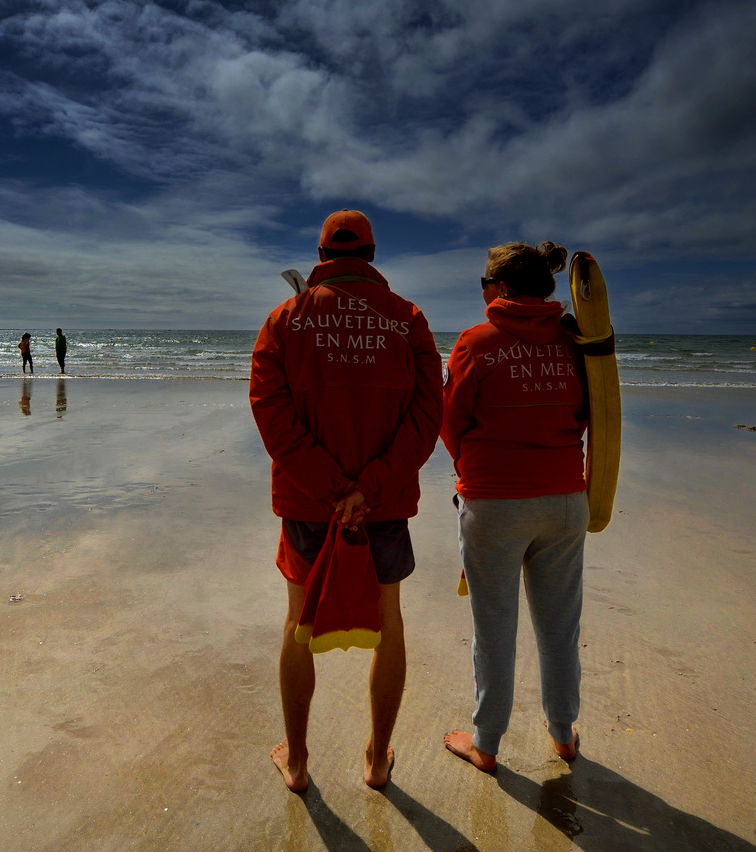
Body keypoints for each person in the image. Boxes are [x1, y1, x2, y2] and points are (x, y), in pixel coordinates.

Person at [250, 209, 443, 792]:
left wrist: (335, 491)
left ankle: (301, 760)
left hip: (310, 503)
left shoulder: (284, 318)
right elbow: (428, 414)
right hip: (379, 506)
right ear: (373, 253)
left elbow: (271, 414)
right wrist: (368, 488)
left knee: (297, 623)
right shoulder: (408, 319)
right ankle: (377, 758)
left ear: (322, 253)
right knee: (390, 624)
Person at [440, 241, 589, 774]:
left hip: (495, 502)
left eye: (483, 285)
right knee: (560, 626)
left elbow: (450, 423)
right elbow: (596, 412)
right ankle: (563, 733)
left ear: (500, 288)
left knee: (495, 626)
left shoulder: (477, 341)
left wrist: (470, 474)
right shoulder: (578, 341)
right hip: (566, 499)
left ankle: (486, 744)